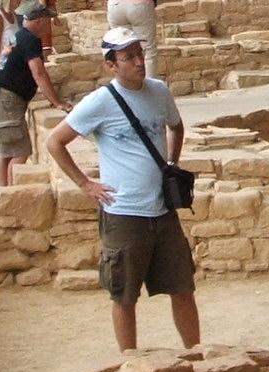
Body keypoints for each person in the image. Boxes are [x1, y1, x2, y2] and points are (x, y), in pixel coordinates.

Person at [46, 27, 199, 354]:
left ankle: (197, 353)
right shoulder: (100, 102)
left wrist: (171, 164)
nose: (139, 62)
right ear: (111, 65)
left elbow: (176, 125)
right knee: (124, 294)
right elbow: (55, 141)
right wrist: (85, 184)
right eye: (128, 57)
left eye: (139, 54)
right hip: (124, 213)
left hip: (162, 210)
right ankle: (130, 360)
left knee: (182, 287)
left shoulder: (159, 91)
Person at [0, 4, 68, 189]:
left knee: (6, 151)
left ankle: (3, 191)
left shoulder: (20, 35)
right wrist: (57, 102)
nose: (50, 24)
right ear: (39, 21)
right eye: (48, 20)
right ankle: (12, 193)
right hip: (7, 99)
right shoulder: (30, 39)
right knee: (19, 151)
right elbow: (38, 72)